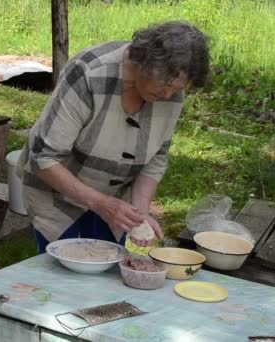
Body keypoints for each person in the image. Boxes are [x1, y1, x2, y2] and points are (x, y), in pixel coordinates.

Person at [17, 21, 211, 253]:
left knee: (109, 272)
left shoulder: (171, 89)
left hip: (115, 198)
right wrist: (102, 204)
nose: (168, 94)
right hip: (56, 193)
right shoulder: (88, 72)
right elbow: (43, 157)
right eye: (166, 85)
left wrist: (141, 212)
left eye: (178, 88)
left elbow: (156, 158)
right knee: (62, 275)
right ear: (144, 64)